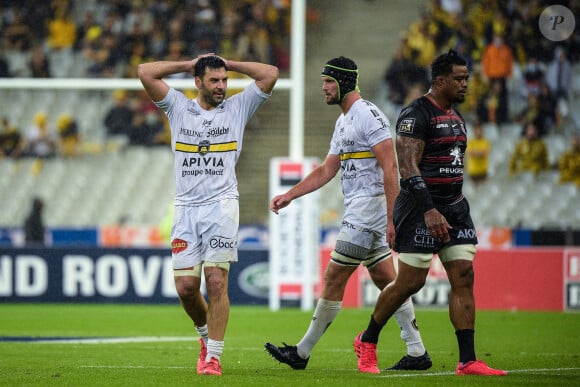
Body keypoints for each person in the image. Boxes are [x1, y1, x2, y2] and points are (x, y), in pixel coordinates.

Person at [265, 56, 430, 373]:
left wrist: (393, 218)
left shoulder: (369, 115)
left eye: (328, 82)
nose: (324, 88)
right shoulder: (343, 121)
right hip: (360, 207)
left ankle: (301, 352)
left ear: (343, 82)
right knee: (388, 282)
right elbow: (328, 169)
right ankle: (417, 351)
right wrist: (290, 195)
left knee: (333, 277)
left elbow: (391, 167)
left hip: (369, 209)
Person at [352, 49, 507, 376]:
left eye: (466, 77)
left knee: (464, 276)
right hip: (420, 209)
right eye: (459, 78)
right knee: (410, 283)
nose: (466, 84)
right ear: (440, 81)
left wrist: (448, 207)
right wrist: (429, 211)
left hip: (455, 208)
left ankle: (467, 360)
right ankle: (367, 340)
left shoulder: (456, 116)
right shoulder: (415, 114)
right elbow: (408, 168)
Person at [137, 53, 278, 376]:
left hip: (222, 206)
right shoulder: (178, 106)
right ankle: (204, 337)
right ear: (197, 82)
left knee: (216, 281)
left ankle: (213, 357)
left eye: (224, 80)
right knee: (187, 288)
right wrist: (187, 65)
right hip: (186, 208)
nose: (221, 86)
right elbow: (145, 72)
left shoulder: (238, 108)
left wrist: (229, 63)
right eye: (214, 80)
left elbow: (270, 72)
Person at [466, 121, 491, 186]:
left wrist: (476, 152)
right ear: (474, 131)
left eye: (480, 130)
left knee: (484, 190)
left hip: (483, 170)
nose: (478, 132)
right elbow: (470, 153)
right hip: (473, 170)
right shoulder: (470, 142)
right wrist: (480, 152)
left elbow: (485, 153)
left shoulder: (486, 142)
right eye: (477, 130)